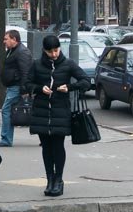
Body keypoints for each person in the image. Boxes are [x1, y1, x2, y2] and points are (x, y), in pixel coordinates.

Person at [28, 35, 90, 197]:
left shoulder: (68, 64)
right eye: (50, 52)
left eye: (56, 51)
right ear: (44, 51)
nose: (54, 54)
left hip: (60, 112)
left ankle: (59, 180)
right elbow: (26, 84)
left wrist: (69, 87)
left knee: (58, 146)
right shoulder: (36, 64)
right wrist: (40, 88)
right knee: (46, 148)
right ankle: (49, 179)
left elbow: (86, 81)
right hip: (41, 112)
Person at [0, 29, 32, 147]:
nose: (4, 41)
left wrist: (24, 90)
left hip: (17, 87)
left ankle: (6, 139)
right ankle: (6, 138)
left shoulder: (22, 52)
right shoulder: (12, 50)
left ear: (14, 39)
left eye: (6, 39)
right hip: (13, 86)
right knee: (11, 110)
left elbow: (25, 72)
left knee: (6, 110)